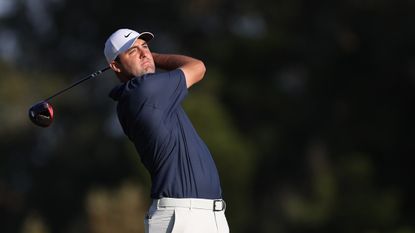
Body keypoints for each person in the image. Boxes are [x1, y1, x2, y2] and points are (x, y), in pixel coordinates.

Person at [104, 28, 229, 233]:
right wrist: (156, 58)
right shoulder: (144, 91)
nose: (144, 53)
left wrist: (145, 58)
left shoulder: (145, 94)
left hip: (206, 215)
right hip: (182, 217)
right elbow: (198, 67)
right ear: (115, 66)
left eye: (145, 47)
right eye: (133, 51)